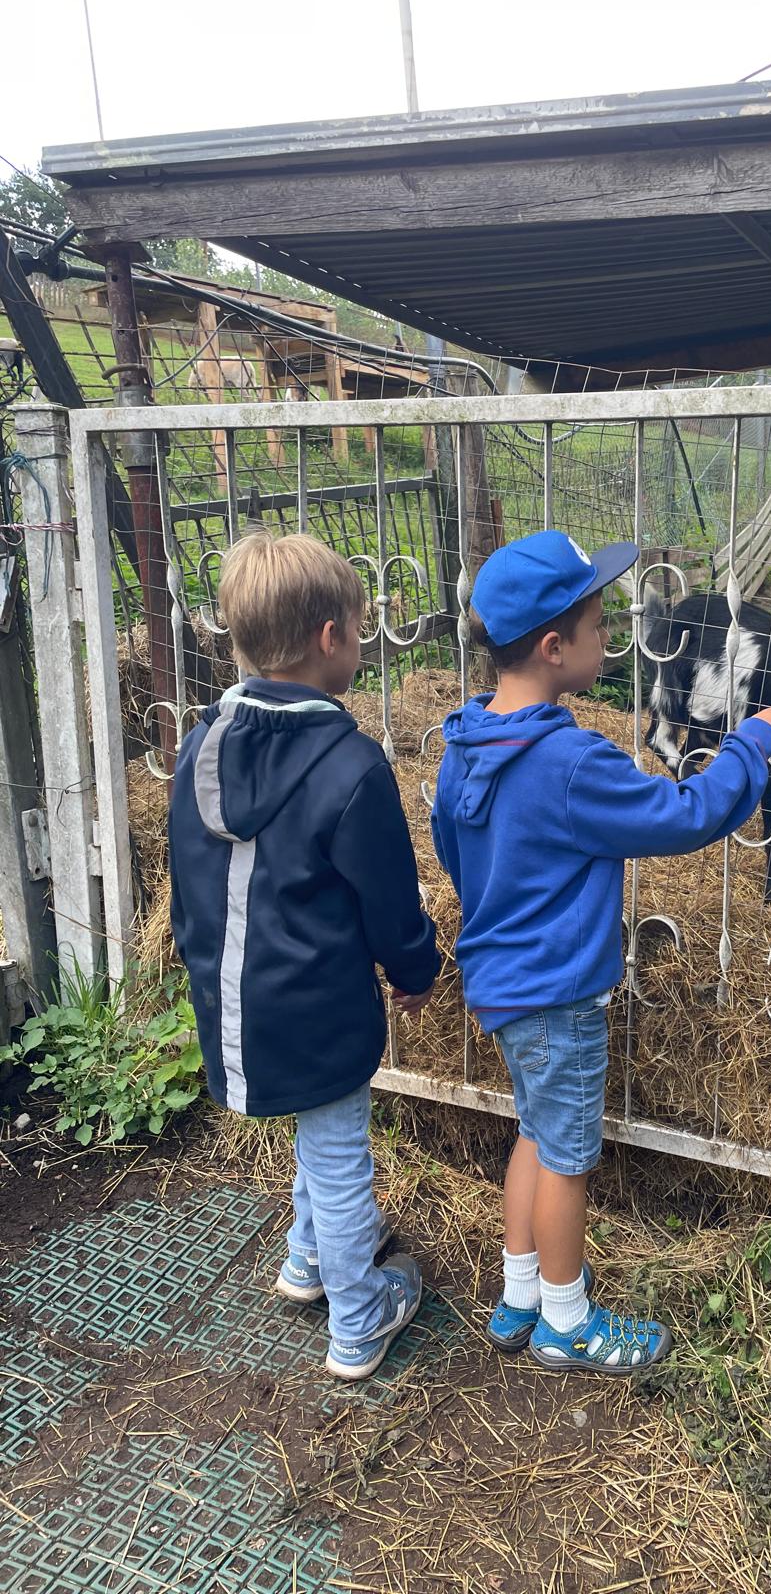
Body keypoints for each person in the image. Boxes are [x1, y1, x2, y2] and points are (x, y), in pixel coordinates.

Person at [432, 530, 771, 1376]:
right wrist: (748, 746)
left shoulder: (466, 743)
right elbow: (681, 816)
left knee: (534, 1135)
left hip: (501, 983)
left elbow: (455, 851)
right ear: (554, 648)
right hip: (558, 994)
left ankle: (520, 1295)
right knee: (568, 1159)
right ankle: (568, 1323)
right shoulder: (568, 761)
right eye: (600, 624)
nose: (612, 635)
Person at [169, 530, 440, 1383]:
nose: (360, 641)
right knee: (337, 1148)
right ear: (331, 637)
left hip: (232, 995)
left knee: (318, 1135)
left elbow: (184, 877)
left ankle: (308, 1257)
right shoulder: (352, 766)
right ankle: (359, 1318)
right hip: (319, 1003)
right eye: (359, 628)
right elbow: (389, 898)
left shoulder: (200, 746)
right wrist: (416, 969)